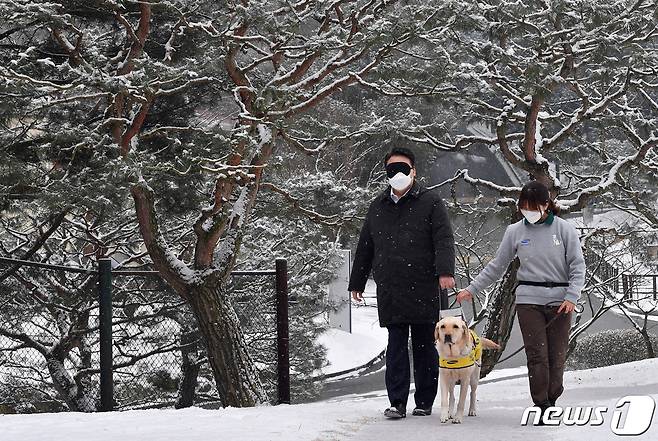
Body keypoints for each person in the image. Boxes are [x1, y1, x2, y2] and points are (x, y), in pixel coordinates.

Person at [456, 180, 585, 425]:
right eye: (523, 206)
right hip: (528, 300)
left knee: (557, 356)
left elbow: (578, 266)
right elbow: (498, 265)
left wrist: (572, 296)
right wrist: (472, 289)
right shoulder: (515, 231)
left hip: (561, 301)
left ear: (546, 205)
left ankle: (552, 399)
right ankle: (541, 404)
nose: (527, 210)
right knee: (537, 355)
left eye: (532, 206)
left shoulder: (564, 229)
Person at [348, 147, 456, 419]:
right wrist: (357, 282)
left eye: (403, 168)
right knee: (395, 345)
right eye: (392, 169)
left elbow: (443, 239)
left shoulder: (431, 202)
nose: (397, 174)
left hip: (425, 285)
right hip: (391, 286)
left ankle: (424, 401)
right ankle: (396, 403)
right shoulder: (378, 205)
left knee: (424, 345)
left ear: (414, 171)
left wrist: (445, 271)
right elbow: (366, 247)